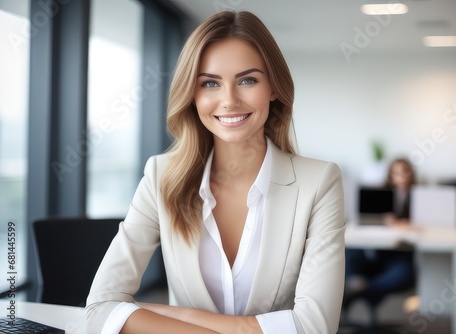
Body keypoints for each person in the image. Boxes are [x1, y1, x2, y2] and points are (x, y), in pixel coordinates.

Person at [85, 10, 345, 334]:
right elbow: (98, 309)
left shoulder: (319, 183)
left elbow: (314, 327)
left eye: (247, 80)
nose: (229, 100)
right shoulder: (160, 177)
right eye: (210, 83)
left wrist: (164, 316)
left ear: (273, 88)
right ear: (192, 96)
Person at [343, 158, 416, 310]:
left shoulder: (419, 196)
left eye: (404, 172)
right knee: (349, 255)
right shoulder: (379, 194)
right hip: (374, 250)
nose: (400, 177)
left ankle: (360, 289)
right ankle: (361, 288)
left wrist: (401, 224)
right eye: (395, 173)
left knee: (404, 273)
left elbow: (424, 224)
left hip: (399, 253)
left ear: (411, 174)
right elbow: (366, 220)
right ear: (390, 175)